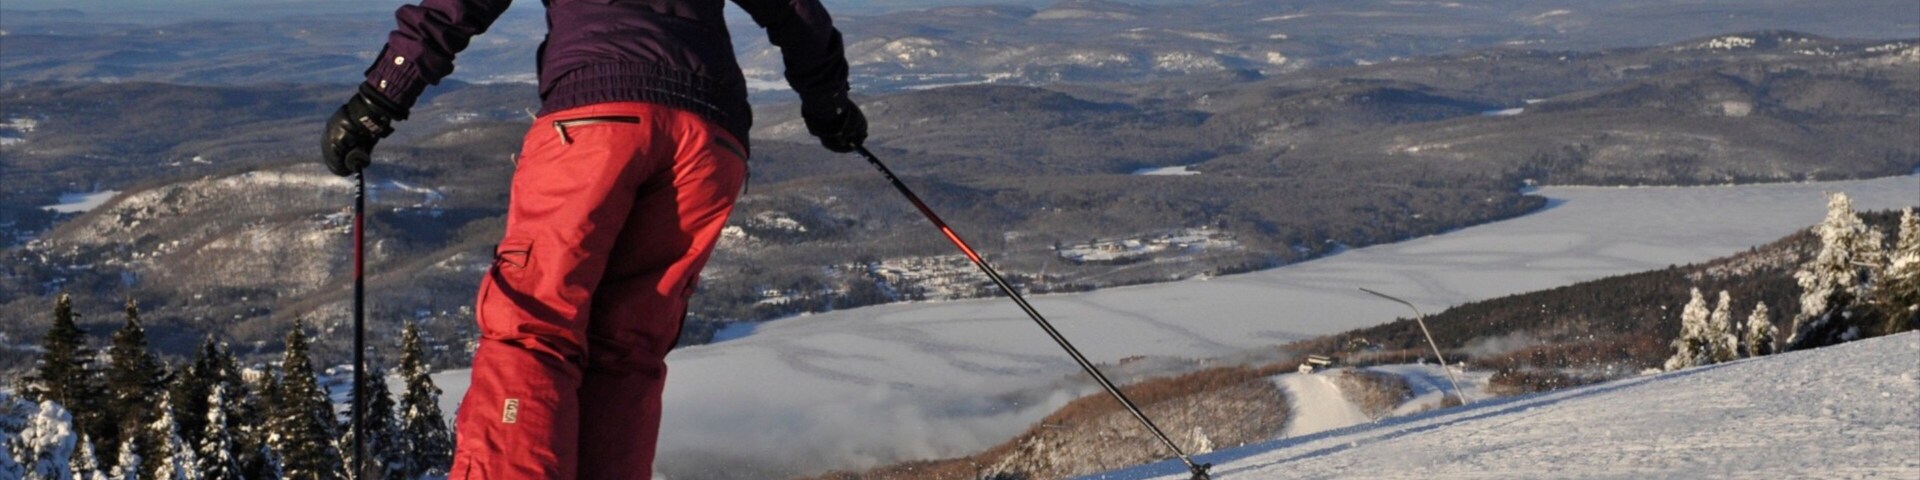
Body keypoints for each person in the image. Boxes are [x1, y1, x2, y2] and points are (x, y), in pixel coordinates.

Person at [319, 0, 867, 475]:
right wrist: (829, 106)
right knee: (627, 351)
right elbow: (795, 12)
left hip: (596, 119)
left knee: (533, 328)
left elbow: (454, 9)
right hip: (712, 139)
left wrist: (381, 97)